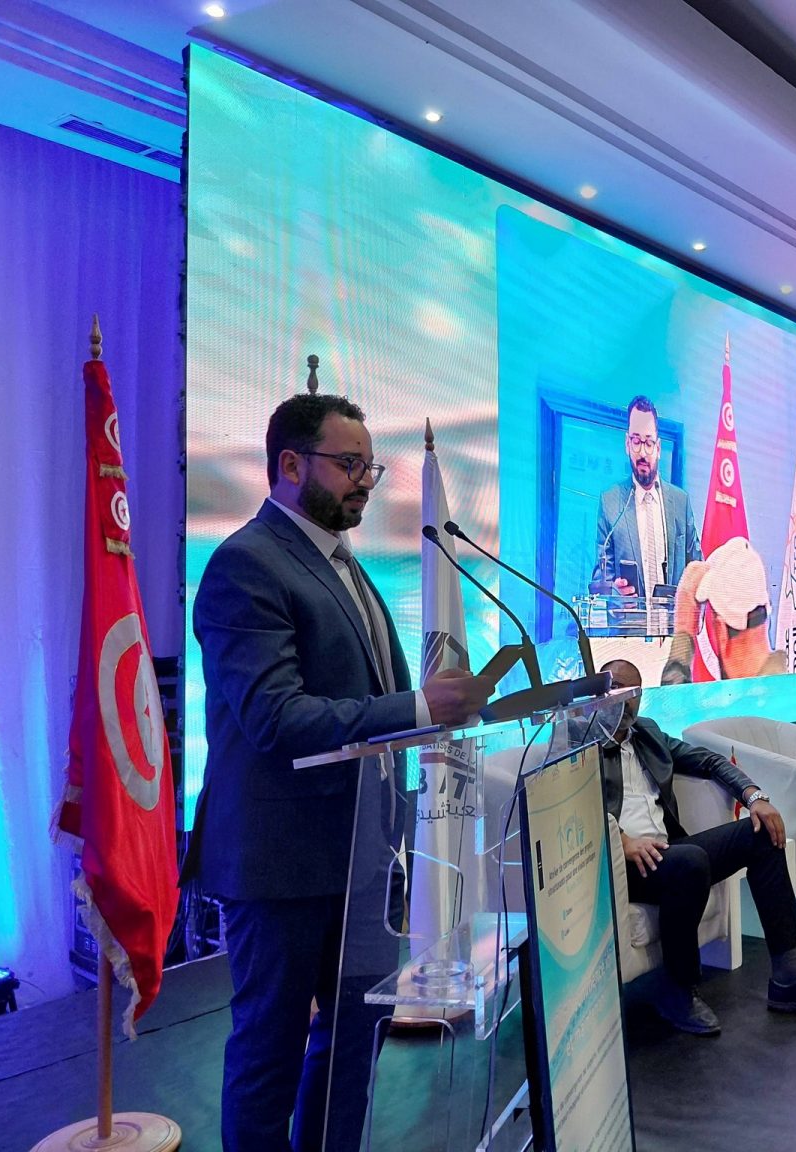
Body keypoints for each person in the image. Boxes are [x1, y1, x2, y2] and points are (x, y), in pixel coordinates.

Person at [185, 393, 494, 1152]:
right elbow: (276, 718)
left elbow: (366, 696)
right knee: (270, 1052)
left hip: (361, 858)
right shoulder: (245, 565)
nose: (365, 482)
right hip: (281, 863)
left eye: (370, 466)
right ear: (290, 465)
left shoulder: (346, 566)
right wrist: (420, 704)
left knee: (354, 1042)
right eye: (349, 464)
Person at [597, 659, 796, 1034]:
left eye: (633, 691)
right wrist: (621, 840)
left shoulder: (647, 732)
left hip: (670, 851)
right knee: (690, 861)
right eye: (615, 688)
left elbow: (709, 760)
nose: (624, 700)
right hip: (623, 863)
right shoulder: (580, 742)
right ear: (598, 691)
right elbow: (572, 802)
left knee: (761, 833)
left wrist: (754, 797)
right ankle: (677, 990)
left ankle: (789, 976)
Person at [595, 395, 701, 598]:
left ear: (658, 448)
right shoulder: (610, 503)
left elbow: (697, 567)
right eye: (636, 441)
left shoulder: (681, 503)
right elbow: (601, 578)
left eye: (649, 442)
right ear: (627, 444)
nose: (643, 452)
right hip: (629, 618)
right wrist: (614, 593)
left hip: (672, 619)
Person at [659, 537, 786, 683]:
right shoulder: (794, 678)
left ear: (721, 631)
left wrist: (683, 631)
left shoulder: (743, 696)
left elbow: (672, 696)